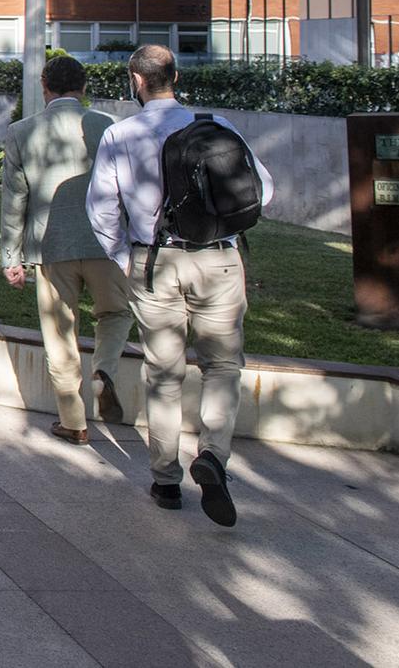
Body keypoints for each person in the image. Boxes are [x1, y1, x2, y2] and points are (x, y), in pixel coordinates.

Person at [87, 45, 272, 526]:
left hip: (155, 263)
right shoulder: (219, 127)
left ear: (136, 79)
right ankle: (213, 456)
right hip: (220, 260)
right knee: (223, 365)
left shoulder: (120, 133)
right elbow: (262, 189)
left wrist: (125, 257)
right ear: (175, 76)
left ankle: (166, 480)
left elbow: (103, 209)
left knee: (163, 372)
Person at [0, 55, 130, 446]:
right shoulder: (108, 126)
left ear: (45, 87)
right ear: (84, 87)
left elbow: (14, 200)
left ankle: (73, 420)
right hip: (106, 241)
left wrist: (11, 256)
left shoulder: (21, 131)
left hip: (50, 244)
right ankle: (104, 368)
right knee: (117, 313)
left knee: (59, 332)